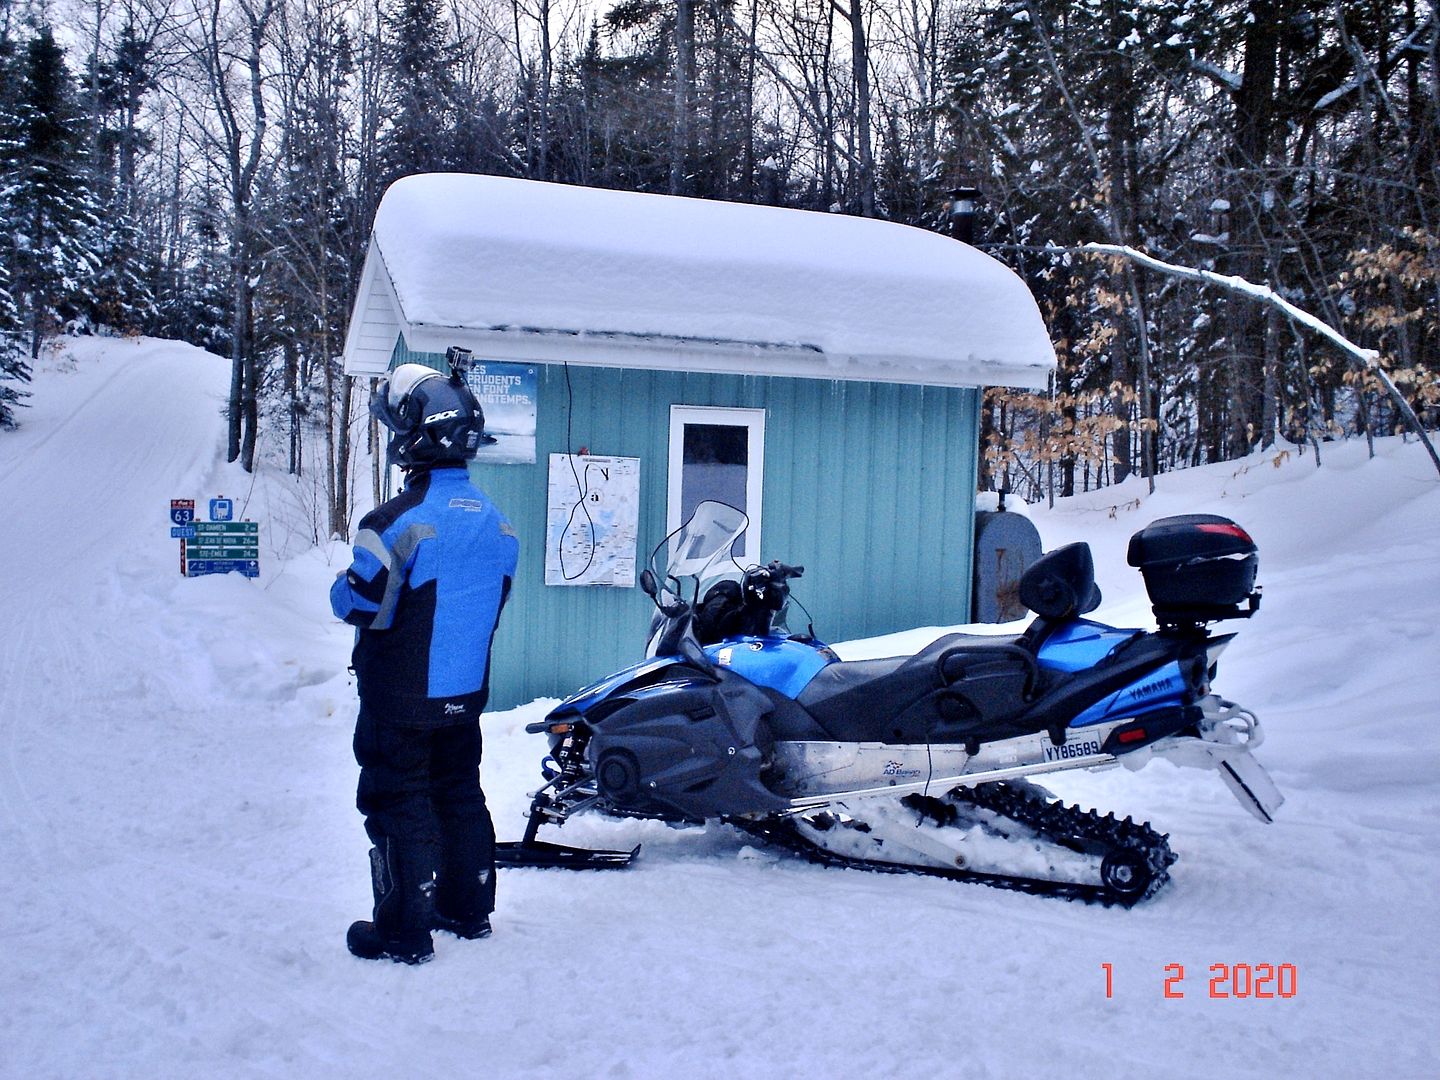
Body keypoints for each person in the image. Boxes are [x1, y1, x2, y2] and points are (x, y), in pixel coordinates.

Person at [331, 358, 519, 964]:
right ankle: (469, 911)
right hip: (466, 693)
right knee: (460, 792)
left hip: (400, 695)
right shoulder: (501, 526)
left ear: (415, 435)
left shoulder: (396, 522)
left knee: (397, 797)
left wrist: (342, 584)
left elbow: (361, 605)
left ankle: (403, 931)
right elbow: (496, 601)